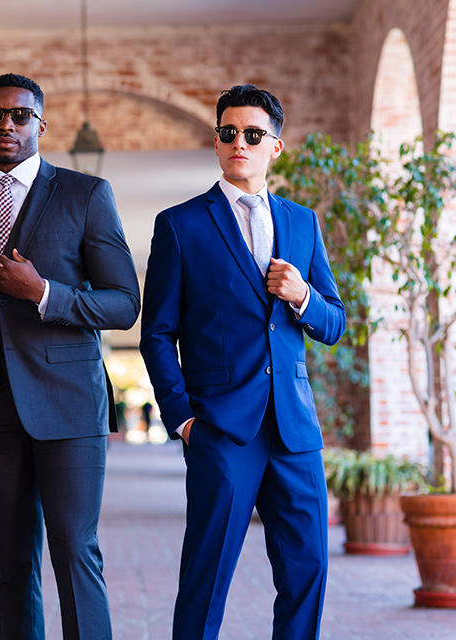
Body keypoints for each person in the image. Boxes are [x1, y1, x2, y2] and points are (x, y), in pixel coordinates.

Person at [0, 73, 140, 640]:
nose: (7, 124)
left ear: (40, 125)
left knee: (76, 552)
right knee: (10, 563)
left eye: (20, 116)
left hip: (69, 406)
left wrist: (45, 292)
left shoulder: (85, 195)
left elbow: (124, 303)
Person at [140, 84, 346, 639]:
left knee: (308, 571)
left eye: (253, 134)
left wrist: (303, 295)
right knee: (206, 579)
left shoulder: (302, 224)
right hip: (222, 429)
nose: (240, 143)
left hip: (294, 429)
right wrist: (182, 417)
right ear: (216, 142)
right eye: (229, 133)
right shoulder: (180, 225)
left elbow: (334, 323)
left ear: (274, 147)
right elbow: (157, 333)